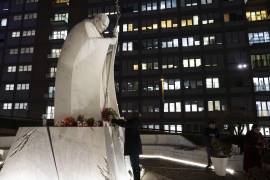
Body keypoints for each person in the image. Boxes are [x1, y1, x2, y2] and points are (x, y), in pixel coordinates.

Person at [111, 112, 142, 180]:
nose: (129, 115)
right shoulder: (134, 122)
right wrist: (116, 120)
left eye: (131, 114)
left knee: (135, 166)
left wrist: (114, 120)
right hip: (134, 148)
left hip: (134, 148)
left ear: (134, 116)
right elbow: (125, 122)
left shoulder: (134, 122)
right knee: (134, 166)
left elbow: (125, 124)